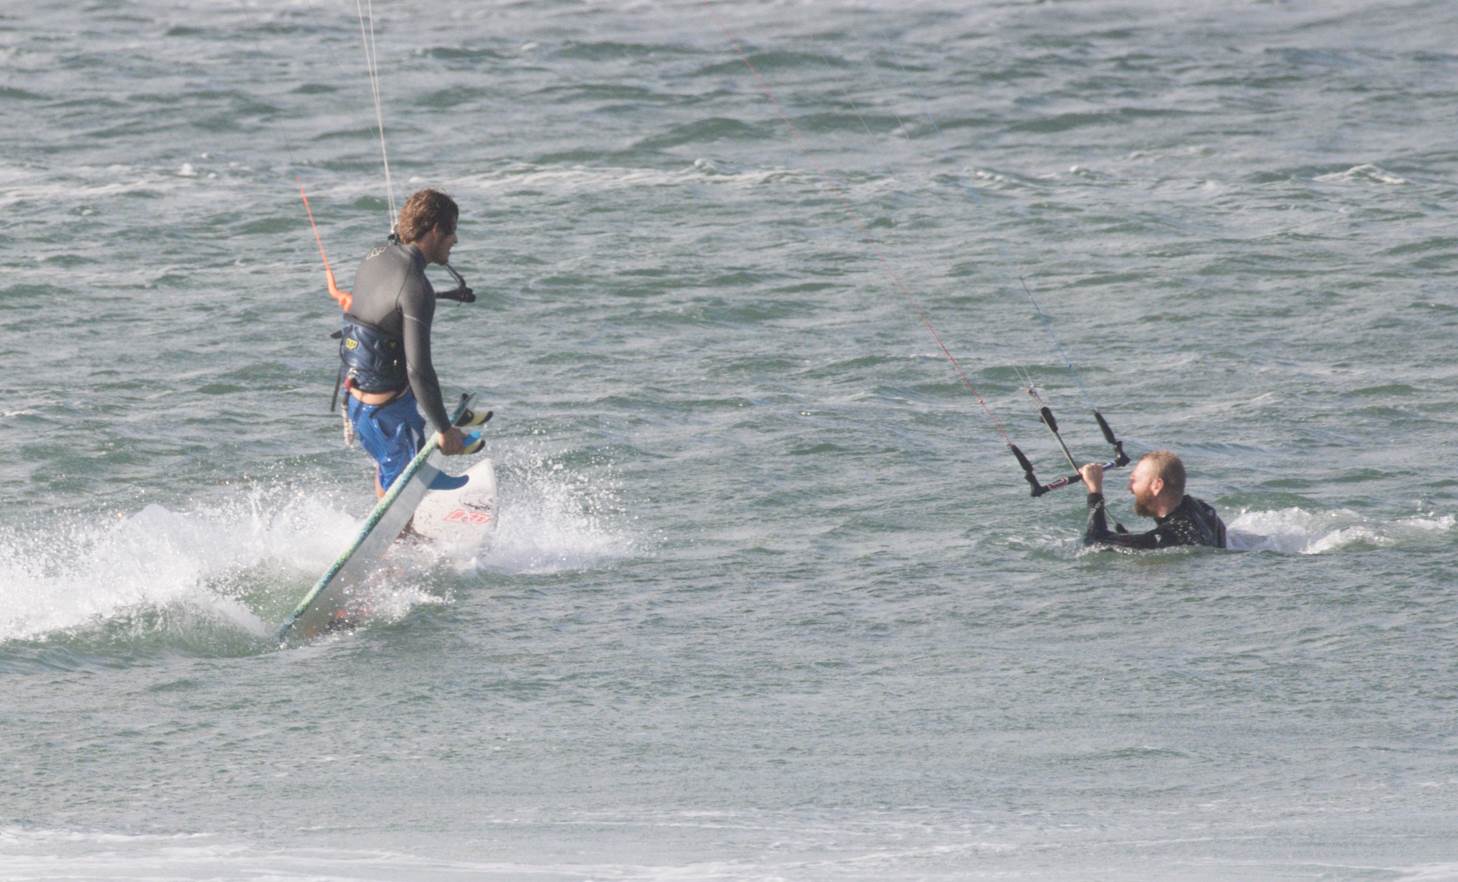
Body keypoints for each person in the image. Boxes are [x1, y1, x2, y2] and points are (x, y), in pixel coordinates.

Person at [338, 188, 483, 496]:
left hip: (356, 402)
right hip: (388, 415)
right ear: (435, 230)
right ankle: (406, 528)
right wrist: (444, 430)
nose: (455, 240)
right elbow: (419, 371)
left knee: (389, 472)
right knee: (403, 495)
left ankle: (398, 514)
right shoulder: (417, 287)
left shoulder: (376, 254)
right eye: (452, 231)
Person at [1079, 450, 1226, 550]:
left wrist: (1094, 490)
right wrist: (1128, 539)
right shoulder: (1202, 509)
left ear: (1157, 486)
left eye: (1134, 480)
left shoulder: (1169, 536)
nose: (1129, 487)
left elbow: (1094, 542)